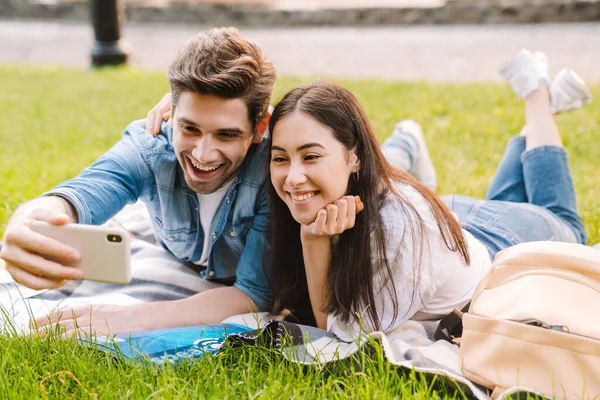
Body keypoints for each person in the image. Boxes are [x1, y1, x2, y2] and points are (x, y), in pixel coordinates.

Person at [266, 50, 589, 340]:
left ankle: (537, 98)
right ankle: (544, 110)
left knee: (569, 228)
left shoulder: (396, 234)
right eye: (280, 158)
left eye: (310, 156)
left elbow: (337, 332)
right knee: (505, 200)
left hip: (506, 243)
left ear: (355, 157)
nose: (292, 178)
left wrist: (312, 239)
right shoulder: (358, 188)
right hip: (455, 224)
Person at [0, 27, 277, 334]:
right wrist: (29, 219)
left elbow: (253, 295)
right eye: (190, 129)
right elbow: (90, 188)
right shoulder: (151, 144)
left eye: (226, 134)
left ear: (260, 126)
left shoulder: (278, 166)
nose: (203, 153)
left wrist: (127, 318)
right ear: (171, 112)